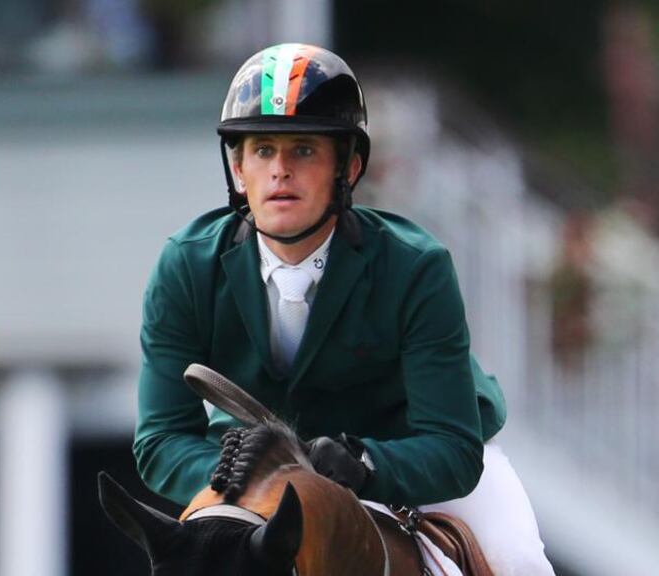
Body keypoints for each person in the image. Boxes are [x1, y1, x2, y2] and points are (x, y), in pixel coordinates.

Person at [133, 42, 554, 575]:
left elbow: (452, 449)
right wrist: (244, 469)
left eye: (303, 150)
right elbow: (160, 440)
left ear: (348, 168)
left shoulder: (415, 265)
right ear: (238, 169)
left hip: (410, 457)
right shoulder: (186, 265)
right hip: (259, 478)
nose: (279, 171)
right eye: (262, 150)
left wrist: (368, 463)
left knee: (519, 560)